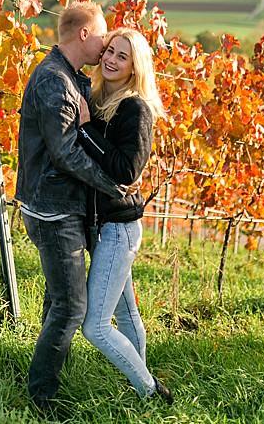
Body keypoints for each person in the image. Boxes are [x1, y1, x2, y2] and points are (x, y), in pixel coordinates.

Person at [15, 0, 128, 412]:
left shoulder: (71, 78)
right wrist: (113, 187)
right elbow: (65, 154)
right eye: (102, 36)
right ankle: (41, 397)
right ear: (84, 34)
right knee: (71, 306)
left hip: (59, 206)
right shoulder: (54, 82)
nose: (105, 45)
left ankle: (46, 373)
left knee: (57, 299)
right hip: (52, 209)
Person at [76, 26, 172, 404]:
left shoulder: (135, 108)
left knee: (95, 326)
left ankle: (149, 390)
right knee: (127, 313)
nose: (112, 60)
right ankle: (143, 386)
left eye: (122, 56)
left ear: (136, 67)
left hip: (119, 229)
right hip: (105, 226)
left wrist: (85, 131)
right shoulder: (99, 97)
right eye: (110, 52)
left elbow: (127, 170)